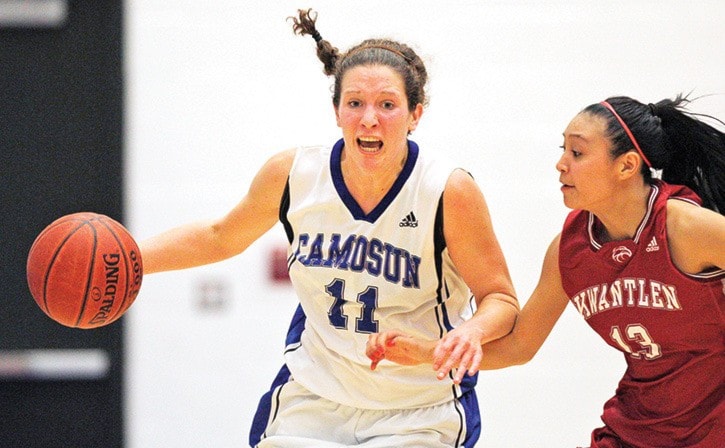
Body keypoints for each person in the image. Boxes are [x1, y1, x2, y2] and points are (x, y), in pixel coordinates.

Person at [139, 8, 519, 448]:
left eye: (388, 105)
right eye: (354, 102)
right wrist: (125, 259)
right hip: (313, 399)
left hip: (419, 407)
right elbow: (219, 236)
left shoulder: (446, 190)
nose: (369, 118)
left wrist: (470, 331)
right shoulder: (294, 174)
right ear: (336, 110)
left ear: (415, 115)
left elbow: (501, 299)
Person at [367, 94, 725, 447]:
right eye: (563, 150)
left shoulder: (684, 228)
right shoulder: (569, 250)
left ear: (627, 166)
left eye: (578, 152)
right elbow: (520, 345)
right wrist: (428, 353)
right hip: (634, 431)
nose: (561, 164)